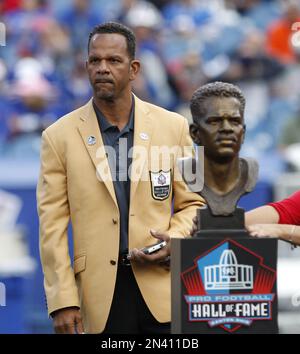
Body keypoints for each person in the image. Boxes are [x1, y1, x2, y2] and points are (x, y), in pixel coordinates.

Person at [37, 21, 204, 334]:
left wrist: (178, 239)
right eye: (95, 61)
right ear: (85, 66)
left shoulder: (175, 127)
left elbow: (195, 202)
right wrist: (62, 300)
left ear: (134, 68)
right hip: (98, 298)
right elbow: (52, 227)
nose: (102, 68)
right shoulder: (57, 137)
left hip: (162, 289)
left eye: (113, 61)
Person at [180, 81, 258, 216]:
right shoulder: (184, 171)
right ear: (195, 133)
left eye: (234, 121)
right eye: (214, 121)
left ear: (243, 132)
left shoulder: (250, 171)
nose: (226, 129)